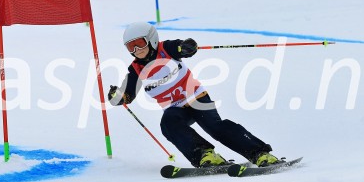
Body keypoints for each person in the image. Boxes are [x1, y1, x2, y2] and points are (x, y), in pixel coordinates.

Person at [108, 22, 280, 168]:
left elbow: (182, 47)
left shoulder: (166, 48)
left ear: (151, 39)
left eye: (140, 43)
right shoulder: (136, 69)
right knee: (168, 124)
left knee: (214, 127)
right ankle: (205, 155)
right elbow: (127, 95)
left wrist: (187, 47)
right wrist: (118, 97)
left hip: (196, 98)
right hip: (175, 108)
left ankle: (259, 153)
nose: (137, 50)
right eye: (131, 47)